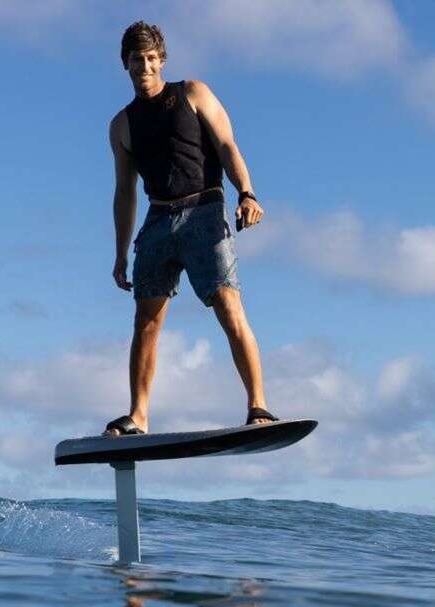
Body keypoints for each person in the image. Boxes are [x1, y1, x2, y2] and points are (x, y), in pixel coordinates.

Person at [103, 21, 275, 436]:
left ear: (161, 60)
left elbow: (228, 146)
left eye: (150, 59)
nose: (143, 66)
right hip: (158, 219)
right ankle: (139, 416)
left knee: (228, 306)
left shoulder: (193, 93)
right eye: (135, 60)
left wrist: (247, 194)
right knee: (146, 320)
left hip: (204, 210)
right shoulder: (121, 125)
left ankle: (259, 406)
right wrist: (121, 252)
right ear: (124, 64)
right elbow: (124, 193)